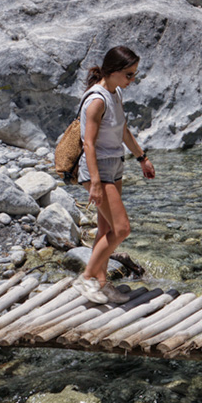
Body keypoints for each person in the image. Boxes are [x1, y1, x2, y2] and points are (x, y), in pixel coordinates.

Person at [71, 45, 155, 305]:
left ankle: (102, 283)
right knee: (122, 229)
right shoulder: (96, 100)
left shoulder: (115, 93)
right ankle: (86, 277)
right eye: (129, 75)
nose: (132, 80)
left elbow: (122, 130)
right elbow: (88, 144)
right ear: (114, 71)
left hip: (115, 165)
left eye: (134, 75)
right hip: (98, 169)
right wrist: (95, 182)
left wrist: (142, 157)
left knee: (106, 228)